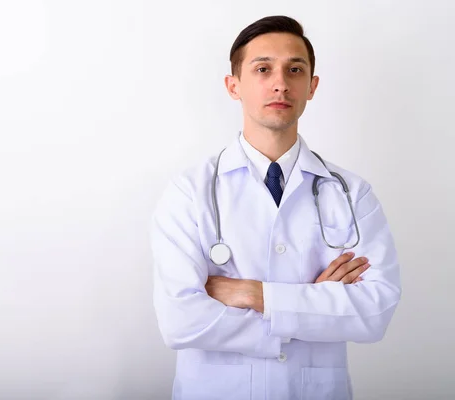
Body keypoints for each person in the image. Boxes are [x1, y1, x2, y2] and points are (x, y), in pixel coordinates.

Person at [149, 15, 401, 400]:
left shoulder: (352, 193)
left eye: (295, 70)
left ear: (311, 87)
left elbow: (374, 312)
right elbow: (181, 322)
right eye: (263, 69)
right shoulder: (189, 193)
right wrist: (314, 308)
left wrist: (253, 294)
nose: (281, 82)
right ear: (233, 86)